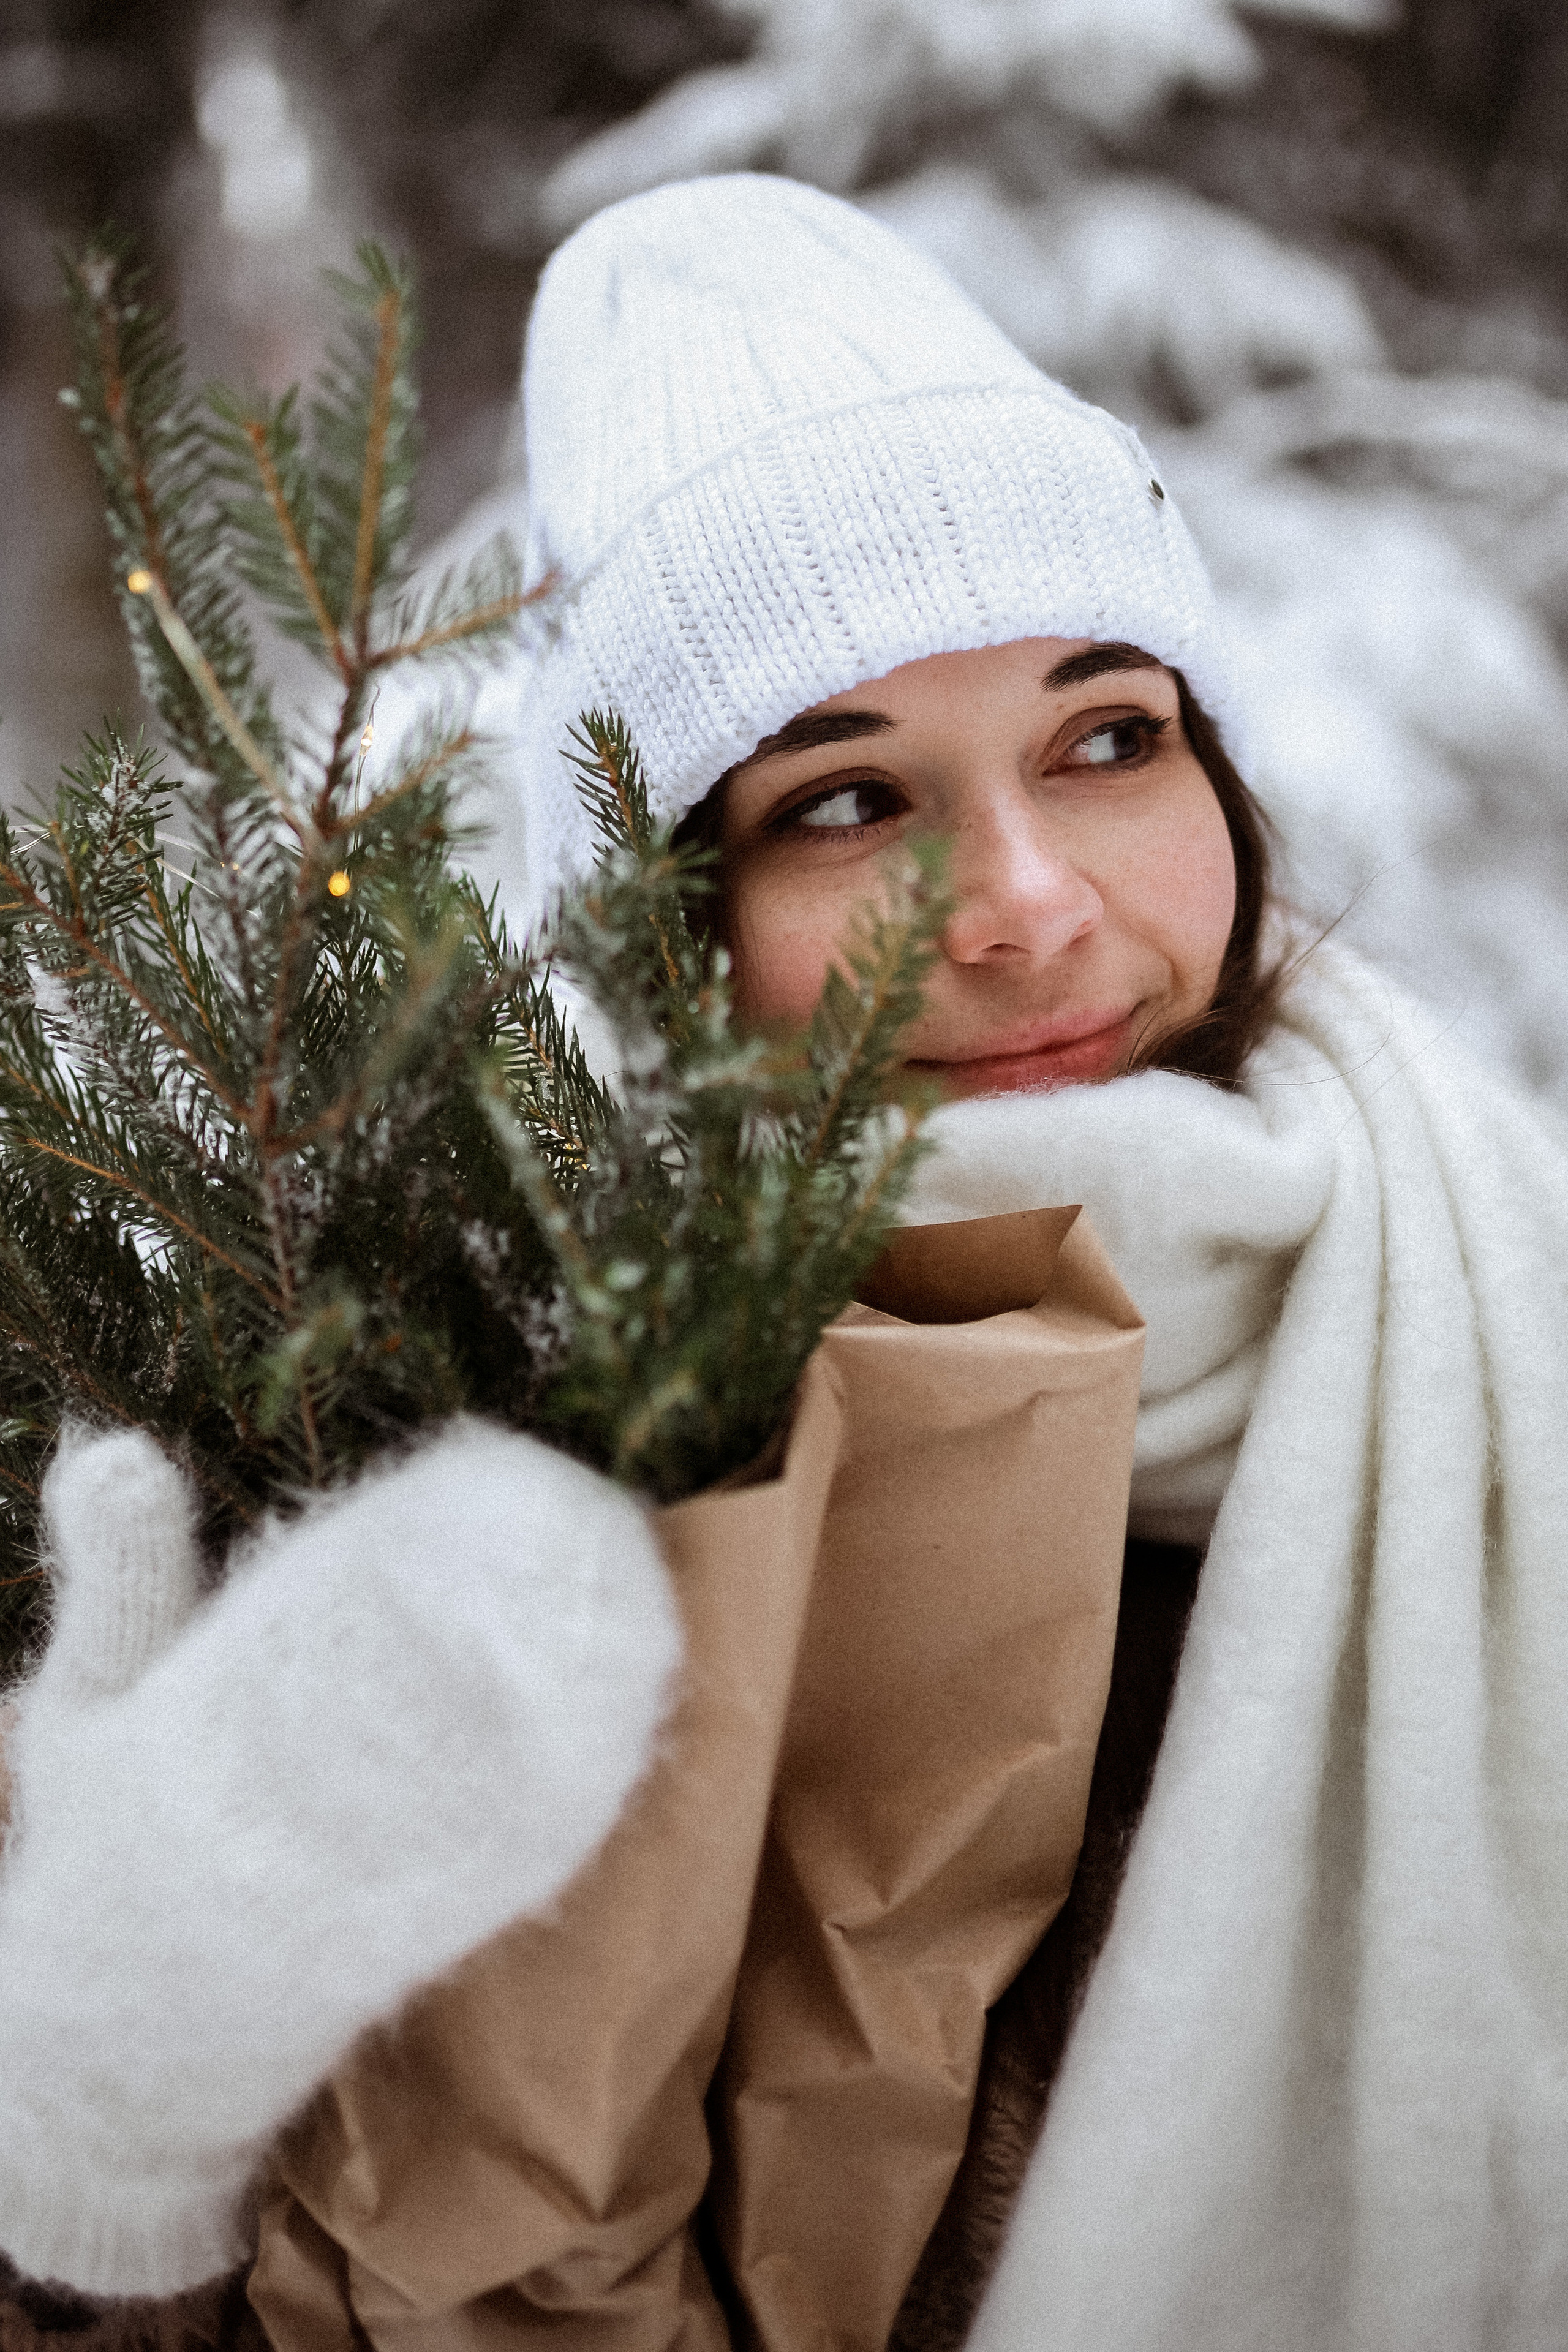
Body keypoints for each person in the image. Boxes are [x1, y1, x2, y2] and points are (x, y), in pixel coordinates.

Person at [4, 172, 1568, 2352]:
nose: (1022, 899)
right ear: (655, 926)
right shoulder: (463, 1457)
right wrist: (99, 2128)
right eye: (843, 802)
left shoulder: (1508, 1309)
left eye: (1105, 738)